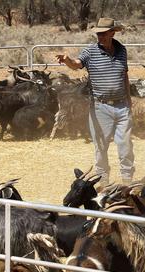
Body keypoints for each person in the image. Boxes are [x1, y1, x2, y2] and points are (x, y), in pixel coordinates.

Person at [56, 17, 134, 186]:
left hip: (122, 105)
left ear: (112, 33)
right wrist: (67, 60)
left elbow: (124, 75)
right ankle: (103, 183)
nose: (100, 37)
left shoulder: (122, 50)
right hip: (100, 107)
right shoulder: (90, 51)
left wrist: (129, 101)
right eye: (98, 34)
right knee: (100, 146)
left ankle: (128, 183)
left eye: (104, 34)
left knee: (126, 146)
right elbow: (77, 64)